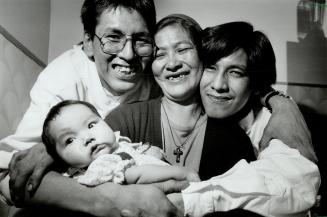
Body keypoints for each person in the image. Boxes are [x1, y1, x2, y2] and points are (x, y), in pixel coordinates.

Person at [0, 0, 316, 215]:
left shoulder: (223, 118)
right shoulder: (64, 81)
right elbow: (10, 174)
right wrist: (52, 148)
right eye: (112, 37)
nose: (127, 54)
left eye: (140, 40)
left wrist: (277, 100)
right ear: (87, 43)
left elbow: (294, 179)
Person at [164, 21, 320, 217]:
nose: (219, 85)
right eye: (211, 68)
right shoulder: (186, 104)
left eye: (235, 72)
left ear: (255, 84)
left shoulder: (274, 122)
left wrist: (180, 203)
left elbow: (291, 184)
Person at [41, 100, 199, 186]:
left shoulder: (118, 145)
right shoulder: (99, 167)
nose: (87, 137)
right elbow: (136, 175)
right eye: (70, 140)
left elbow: (133, 154)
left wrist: (148, 151)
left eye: (91, 125)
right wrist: (180, 172)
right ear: (66, 163)